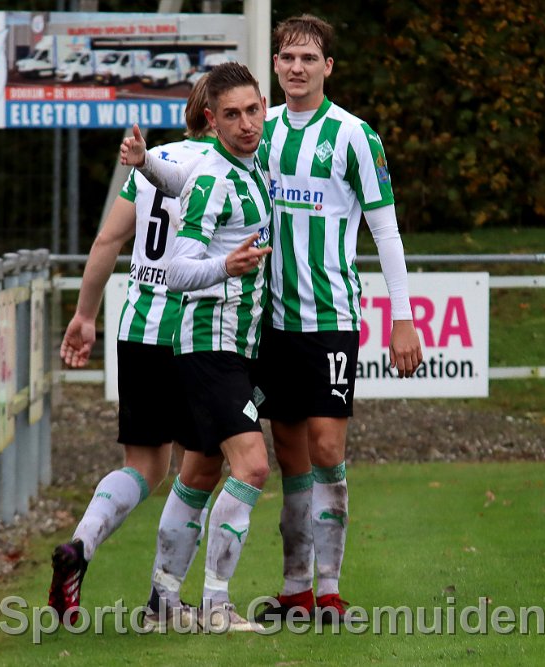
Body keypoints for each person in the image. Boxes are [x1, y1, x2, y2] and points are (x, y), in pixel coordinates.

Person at [121, 14, 424, 624]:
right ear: (275, 67)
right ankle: (295, 589)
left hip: (330, 315)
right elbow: (196, 178)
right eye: (287, 57)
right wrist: (146, 163)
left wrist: (403, 316)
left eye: (309, 57)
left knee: (327, 446)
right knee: (286, 455)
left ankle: (329, 588)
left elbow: (385, 230)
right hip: (267, 323)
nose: (297, 67)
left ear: (328, 66)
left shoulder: (355, 136)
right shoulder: (260, 129)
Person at [47, 76, 219, 627]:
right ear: (217, 114)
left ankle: (81, 543)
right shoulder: (230, 165)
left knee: (144, 466)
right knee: (201, 466)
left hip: (139, 325)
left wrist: (85, 315)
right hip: (197, 330)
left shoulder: (155, 159)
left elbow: (107, 240)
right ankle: (165, 598)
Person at [157, 61, 272, 633]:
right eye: (232, 114)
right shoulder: (214, 181)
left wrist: (146, 163)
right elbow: (176, 271)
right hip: (210, 341)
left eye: (253, 111)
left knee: (201, 471)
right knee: (252, 466)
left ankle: (161, 603)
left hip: (237, 344)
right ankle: (217, 606)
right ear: (212, 120)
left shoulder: (255, 165)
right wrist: (227, 265)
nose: (246, 123)